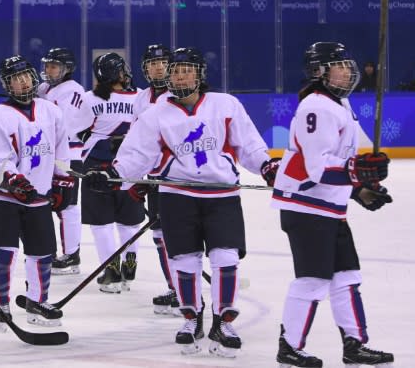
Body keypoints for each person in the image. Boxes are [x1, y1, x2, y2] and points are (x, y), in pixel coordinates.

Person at [90, 47, 278, 357]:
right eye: (175, 71)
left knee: (225, 257)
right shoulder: (156, 114)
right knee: (184, 261)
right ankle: (192, 318)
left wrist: (266, 167)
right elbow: (138, 154)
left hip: (222, 196)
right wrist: (114, 173)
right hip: (177, 197)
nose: (180, 75)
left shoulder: (225, 105)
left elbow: (249, 146)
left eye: (187, 69)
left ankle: (224, 320)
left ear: (200, 74)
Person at [272, 42, 394, 367]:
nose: (347, 70)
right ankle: (289, 346)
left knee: (347, 276)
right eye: (338, 64)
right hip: (306, 206)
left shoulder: (341, 104)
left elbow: (344, 162)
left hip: (329, 206)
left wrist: (360, 188)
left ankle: (354, 344)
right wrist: (357, 172)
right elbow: (318, 167)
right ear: (319, 71)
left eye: (346, 63)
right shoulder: (316, 106)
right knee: (313, 279)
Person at [0, 55, 71, 328]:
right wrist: (15, 181)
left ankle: (37, 301)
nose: (22, 82)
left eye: (25, 76)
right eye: (15, 79)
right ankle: (1, 303)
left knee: (42, 253)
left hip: (38, 196)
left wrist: (62, 181)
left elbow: (61, 150)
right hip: (4, 198)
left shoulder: (50, 110)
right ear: (7, 85)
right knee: (3, 252)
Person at [71, 52, 144, 294]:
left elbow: (75, 132)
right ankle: (130, 265)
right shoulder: (141, 97)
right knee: (129, 220)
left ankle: (111, 271)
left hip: (97, 166)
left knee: (101, 223)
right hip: (131, 165)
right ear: (119, 73)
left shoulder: (90, 99)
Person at [130, 44, 181, 315]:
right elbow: (138, 141)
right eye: (152, 63)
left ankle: (186, 290)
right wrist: (138, 177)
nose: (158, 67)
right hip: (155, 178)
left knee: (182, 235)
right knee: (160, 235)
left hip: (179, 178)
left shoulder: (181, 94)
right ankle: (176, 288)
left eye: (162, 62)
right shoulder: (141, 98)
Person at [38, 47, 86, 275]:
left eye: (54, 66)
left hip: (69, 155)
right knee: (49, 203)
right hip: (48, 155)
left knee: (67, 205)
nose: (49, 69)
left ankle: (71, 254)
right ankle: (54, 251)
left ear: (67, 69)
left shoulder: (73, 90)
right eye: (47, 65)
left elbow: (63, 125)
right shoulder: (44, 88)